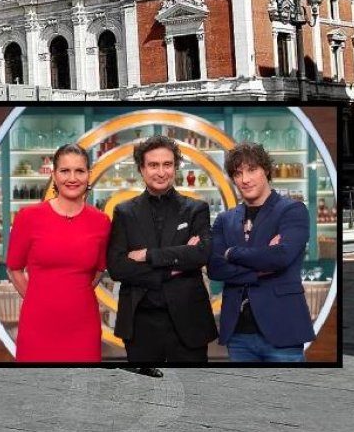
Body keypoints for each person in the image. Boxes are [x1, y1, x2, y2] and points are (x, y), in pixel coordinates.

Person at [107, 135, 217, 364]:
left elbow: (201, 254)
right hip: (140, 322)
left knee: (194, 387)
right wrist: (173, 267)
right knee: (144, 387)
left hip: (189, 320)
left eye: (167, 164)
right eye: (153, 165)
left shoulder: (196, 209)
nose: (161, 172)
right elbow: (118, 267)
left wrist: (148, 255)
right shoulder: (124, 212)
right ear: (141, 169)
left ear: (175, 167)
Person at [208, 142, 314, 362]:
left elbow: (281, 257)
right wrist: (259, 266)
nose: (245, 179)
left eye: (252, 170)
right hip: (238, 333)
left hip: (283, 328)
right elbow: (215, 268)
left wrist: (231, 253)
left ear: (266, 170)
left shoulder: (292, 210)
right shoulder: (224, 219)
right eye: (238, 173)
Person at [6, 144, 110, 362]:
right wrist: (38, 298)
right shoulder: (28, 217)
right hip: (38, 324)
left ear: (89, 175)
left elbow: (99, 270)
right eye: (65, 171)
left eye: (79, 171)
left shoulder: (101, 221)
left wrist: (73, 294)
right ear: (54, 175)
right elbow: (14, 269)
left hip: (83, 326)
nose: (72, 178)